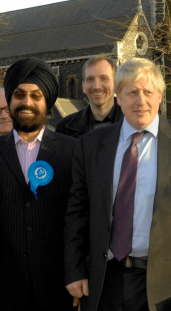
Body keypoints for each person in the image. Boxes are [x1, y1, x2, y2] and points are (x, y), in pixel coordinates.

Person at [64, 57, 171, 311]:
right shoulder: (90, 145)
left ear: (159, 97)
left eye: (148, 92)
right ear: (118, 97)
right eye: (132, 92)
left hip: (166, 286)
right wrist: (74, 270)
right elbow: (77, 214)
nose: (141, 101)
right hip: (104, 282)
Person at [0, 58, 77, 310]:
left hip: (59, 290)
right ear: (10, 100)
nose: (27, 102)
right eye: (19, 94)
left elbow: (82, 220)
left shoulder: (73, 152)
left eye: (36, 95)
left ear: (48, 102)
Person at [55, 55, 123, 138]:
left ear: (116, 84)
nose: (96, 87)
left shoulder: (135, 122)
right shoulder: (64, 129)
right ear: (84, 86)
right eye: (90, 79)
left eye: (103, 78)